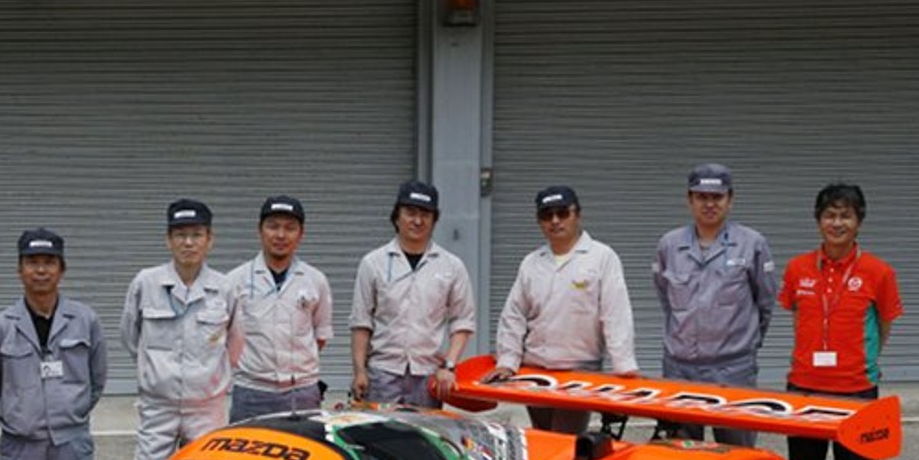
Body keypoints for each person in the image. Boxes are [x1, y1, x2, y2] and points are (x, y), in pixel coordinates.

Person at [779, 183, 903, 460]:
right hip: (804, 390)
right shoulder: (798, 268)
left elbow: (884, 325)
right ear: (818, 221)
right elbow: (796, 317)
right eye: (830, 215)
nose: (837, 223)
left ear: (858, 222)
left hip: (857, 393)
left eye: (845, 215)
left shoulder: (879, 273)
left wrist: (859, 363)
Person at [485, 185, 639, 433]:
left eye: (562, 213)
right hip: (536, 371)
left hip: (578, 372)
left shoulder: (602, 257)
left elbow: (615, 314)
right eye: (547, 215)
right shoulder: (531, 263)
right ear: (539, 221)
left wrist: (624, 367)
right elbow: (513, 316)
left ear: (577, 215)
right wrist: (507, 361)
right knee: (543, 438)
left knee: (566, 442)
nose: (555, 221)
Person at [0, 230, 107, 460]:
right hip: (21, 447)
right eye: (32, 262)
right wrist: (16, 414)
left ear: (62, 270)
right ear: (19, 270)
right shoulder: (0, 326)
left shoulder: (85, 320)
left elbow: (97, 378)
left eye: (49, 262)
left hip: (71, 444)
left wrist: (73, 412)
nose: (41, 270)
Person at [652, 163, 776, 445]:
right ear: (690, 200)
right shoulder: (669, 245)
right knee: (681, 451)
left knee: (737, 452)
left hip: (733, 369)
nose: (709, 204)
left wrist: (744, 345)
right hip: (680, 369)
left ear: (730, 200)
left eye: (717, 197)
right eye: (701, 197)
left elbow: (765, 302)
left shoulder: (752, 244)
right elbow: (666, 299)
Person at [120, 198, 234, 460]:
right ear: (168, 240)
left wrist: (210, 377)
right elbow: (130, 337)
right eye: (180, 235)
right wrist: (155, 372)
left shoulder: (225, 287)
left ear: (210, 240)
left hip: (206, 407)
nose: (188, 243)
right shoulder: (146, 282)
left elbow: (235, 344)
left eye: (197, 235)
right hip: (158, 404)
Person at [349, 179, 476, 407]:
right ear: (397, 216)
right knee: (380, 430)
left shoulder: (451, 266)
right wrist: (359, 371)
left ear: (434, 220)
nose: (417, 221)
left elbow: (463, 321)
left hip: (428, 376)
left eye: (425, 214)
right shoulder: (373, 263)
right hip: (382, 374)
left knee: (425, 431)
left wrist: (449, 366)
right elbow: (361, 322)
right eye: (410, 213)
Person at [226, 195, 334, 420]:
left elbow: (320, 336)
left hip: (302, 392)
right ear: (260, 230)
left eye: (290, 228)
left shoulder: (315, 280)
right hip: (251, 392)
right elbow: (223, 338)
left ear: (301, 234)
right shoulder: (235, 281)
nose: (281, 235)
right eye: (273, 226)